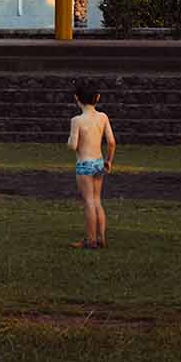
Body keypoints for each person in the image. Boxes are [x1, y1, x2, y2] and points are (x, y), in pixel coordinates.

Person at [66, 85, 115, 248]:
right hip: (99, 162)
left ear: (77, 98)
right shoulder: (103, 117)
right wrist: (109, 160)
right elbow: (112, 142)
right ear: (98, 97)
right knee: (97, 200)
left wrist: (71, 141)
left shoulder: (77, 121)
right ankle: (101, 237)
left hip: (84, 164)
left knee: (88, 201)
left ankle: (90, 240)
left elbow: (73, 146)